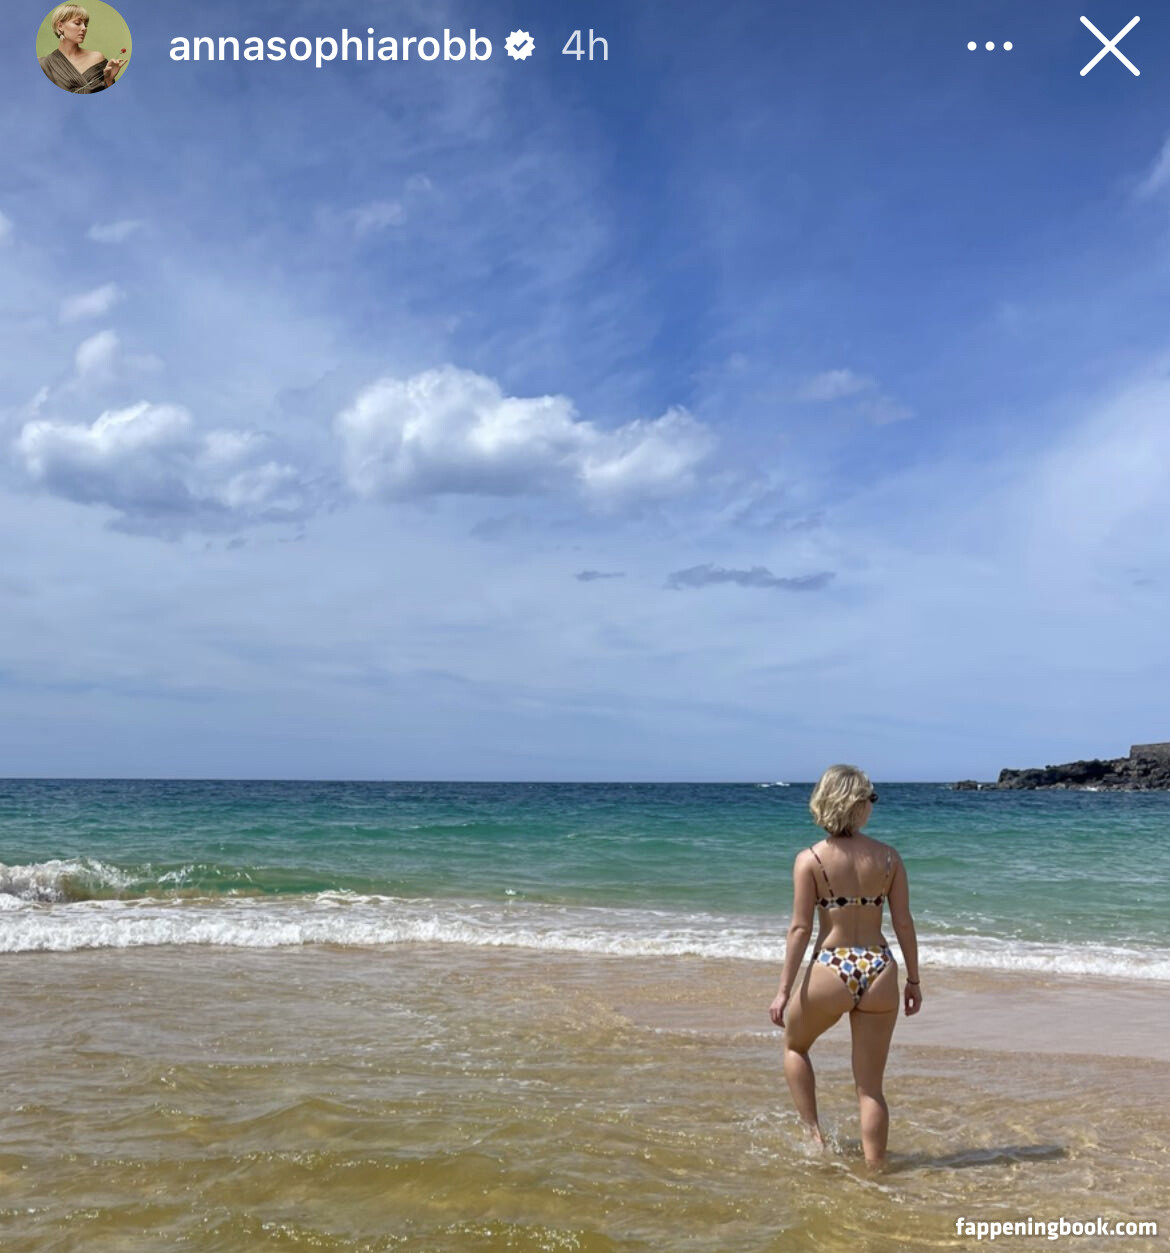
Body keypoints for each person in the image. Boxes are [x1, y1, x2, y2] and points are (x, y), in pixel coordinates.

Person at [769, 764, 921, 1169]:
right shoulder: (888, 858)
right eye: (871, 798)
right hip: (879, 966)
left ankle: (815, 1138)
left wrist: (783, 990)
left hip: (832, 965)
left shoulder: (810, 860)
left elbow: (800, 929)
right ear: (857, 805)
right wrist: (914, 980)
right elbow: (904, 923)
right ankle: (876, 1171)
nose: (873, 805)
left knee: (795, 1046)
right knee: (870, 1089)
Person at [39, 5, 126, 94]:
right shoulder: (44, 65)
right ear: (60, 26)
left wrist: (109, 79)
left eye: (85, 24)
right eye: (77, 23)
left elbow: (110, 98)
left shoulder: (96, 58)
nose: (84, 28)